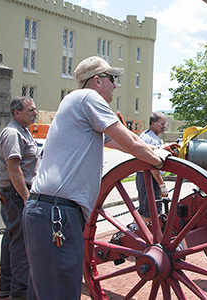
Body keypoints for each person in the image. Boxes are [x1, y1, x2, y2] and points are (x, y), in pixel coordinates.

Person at [22, 56, 175, 300]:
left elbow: (119, 143)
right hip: (57, 214)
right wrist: (159, 162)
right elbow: (130, 141)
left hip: (48, 211)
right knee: (61, 293)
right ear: (97, 81)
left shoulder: (76, 104)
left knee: (45, 292)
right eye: (112, 79)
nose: (115, 85)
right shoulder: (88, 98)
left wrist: (157, 149)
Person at [0, 96, 40, 299]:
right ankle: (19, 291)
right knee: (21, 242)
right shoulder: (12, 134)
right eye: (30, 110)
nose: (35, 112)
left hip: (14, 193)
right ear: (17, 113)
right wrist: (26, 197)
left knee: (12, 238)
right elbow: (14, 169)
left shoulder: (23, 132)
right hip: (16, 193)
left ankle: (6, 286)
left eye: (35, 109)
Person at [136, 112, 170, 223]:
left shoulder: (145, 135)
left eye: (165, 124)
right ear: (153, 123)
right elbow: (153, 167)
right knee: (151, 211)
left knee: (143, 208)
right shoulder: (153, 140)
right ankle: (148, 236)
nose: (164, 126)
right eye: (161, 124)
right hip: (150, 178)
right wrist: (162, 185)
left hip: (141, 177)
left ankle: (135, 231)